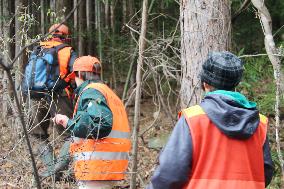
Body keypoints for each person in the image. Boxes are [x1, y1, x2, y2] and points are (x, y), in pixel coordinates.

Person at [147, 51, 274, 189]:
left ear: (205, 84)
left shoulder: (192, 119)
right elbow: (265, 171)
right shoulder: (259, 123)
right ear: (236, 84)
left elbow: (170, 173)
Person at [53, 55, 131, 189]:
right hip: (109, 165)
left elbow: (100, 124)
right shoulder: (108, 93)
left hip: (96, 166)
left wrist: (68, 123)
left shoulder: (92, 92)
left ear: (79, 74)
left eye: (74, 77)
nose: (73, 81)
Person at [27, 24, 77, 178]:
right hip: (60, 96)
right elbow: (76, 74)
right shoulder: (68, 51)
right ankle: (56, 170)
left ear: (49, 35)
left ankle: (53, 171)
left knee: (37, 135)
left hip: (36, 95)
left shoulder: (38, 50)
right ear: (66, 36)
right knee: (72, 134)